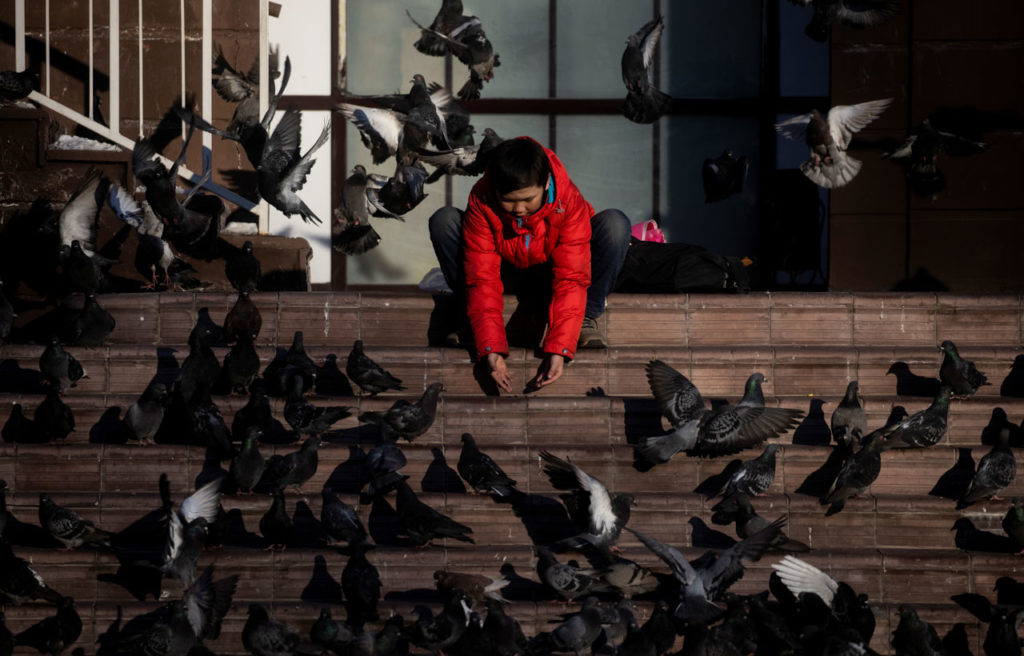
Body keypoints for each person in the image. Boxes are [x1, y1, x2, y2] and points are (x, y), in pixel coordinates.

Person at [428, 136, 631, 393]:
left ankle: (585, 320)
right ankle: (469, 321)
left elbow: (571, 277)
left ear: (546, 183)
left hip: (550, 275)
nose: (519, 209)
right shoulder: (482, 200)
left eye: (528, 199)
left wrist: (560, 349)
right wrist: (489, 348)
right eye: (509, 201)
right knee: (444, 220)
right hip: (506, 271)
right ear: (494, 189)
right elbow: (481, 277)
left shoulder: (568, 200)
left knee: (615, 225)